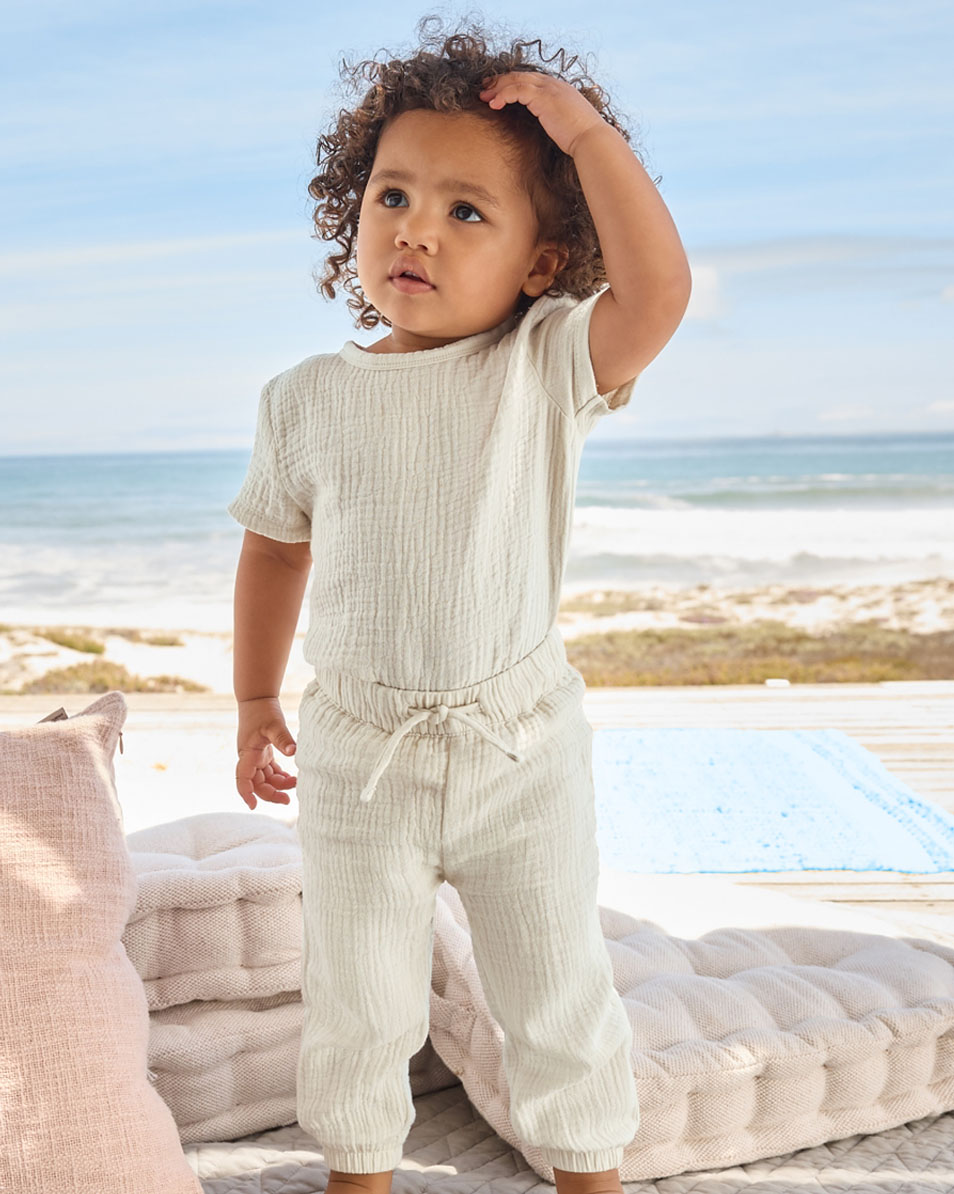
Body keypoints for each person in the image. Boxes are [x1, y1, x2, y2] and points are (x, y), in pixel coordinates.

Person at [228, 15, 691, 1194]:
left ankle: (587, 1171)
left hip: (520, 751)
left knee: (554, 988)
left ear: (542, 262)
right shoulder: (304, 399)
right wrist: (252, 700)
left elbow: (659, 290)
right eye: (392, 196)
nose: (416, 230)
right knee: (358, 1001)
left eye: (467, 211)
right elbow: (274, 552)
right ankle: (359, 1172)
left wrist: (583, 138)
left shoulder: (547, 364)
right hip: (360, 756)